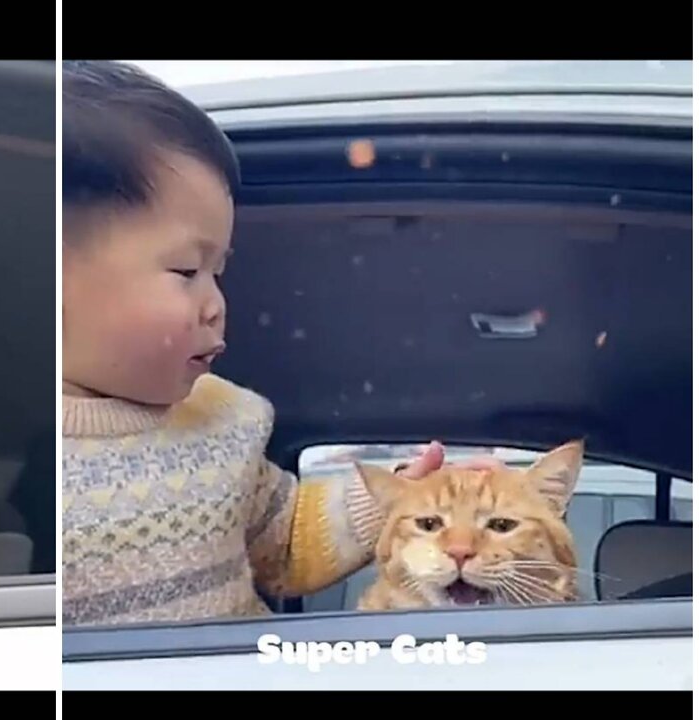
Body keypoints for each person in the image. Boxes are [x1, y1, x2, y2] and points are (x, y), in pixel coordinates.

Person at [60, 60, 456, 626]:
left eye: (218, 272)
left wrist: (395, 498)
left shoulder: (223, 420)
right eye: (186, 270)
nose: (216, 302)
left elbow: (288, 543)